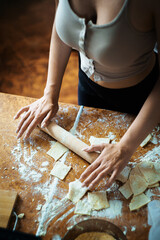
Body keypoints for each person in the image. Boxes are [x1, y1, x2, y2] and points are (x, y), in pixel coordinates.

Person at [14, 0, 160, 190]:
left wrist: (125, 147)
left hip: (143, 101)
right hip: (87, 89)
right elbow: (61, 27)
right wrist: (50, 93)